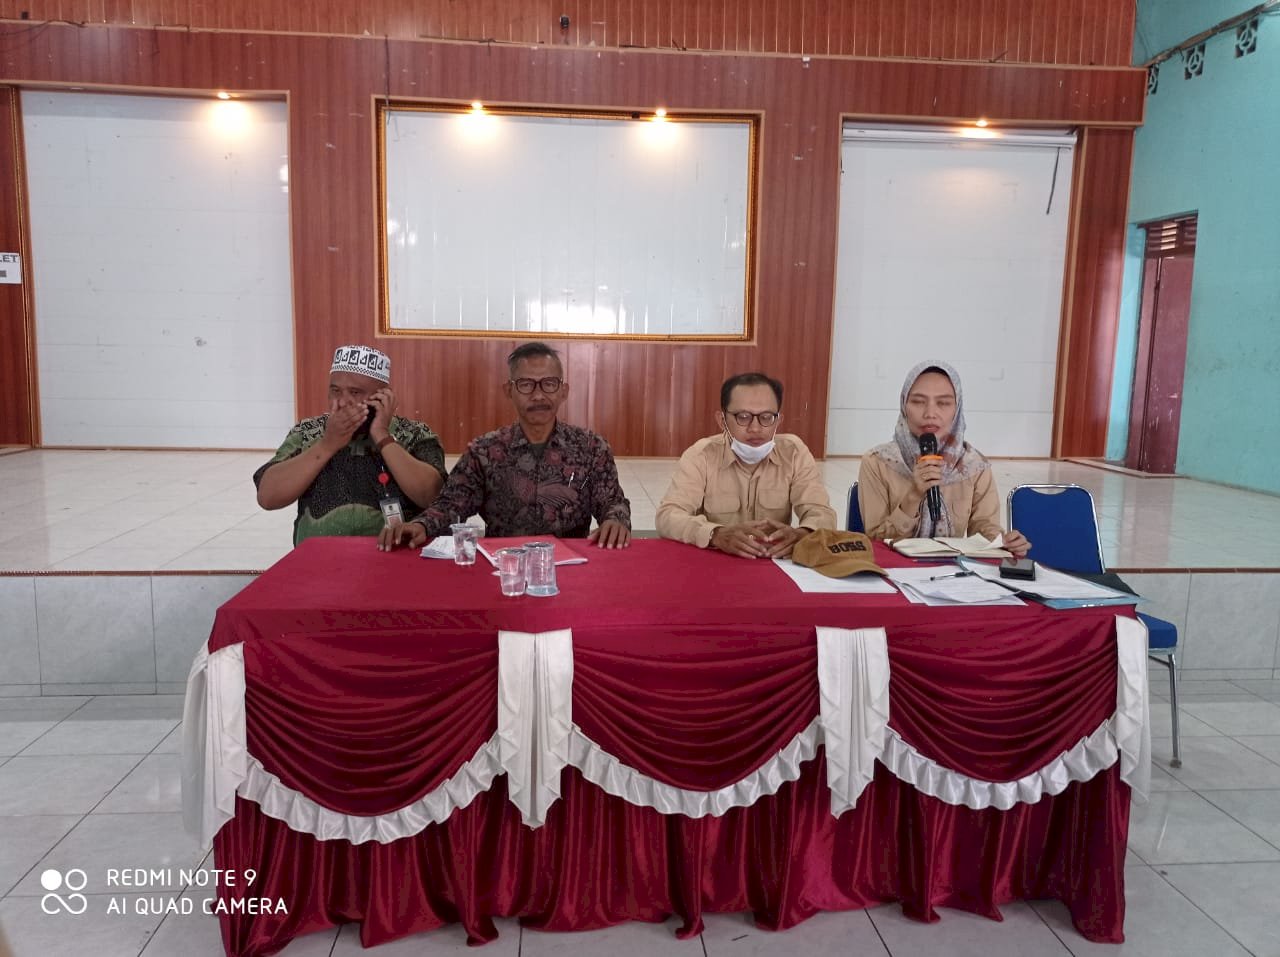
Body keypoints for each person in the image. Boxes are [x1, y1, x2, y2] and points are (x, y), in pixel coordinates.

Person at [379, 342, 631, 550]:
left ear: (563, 391)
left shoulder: (590, 448)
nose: (539, 395)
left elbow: (612, 502)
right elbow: (451, 505)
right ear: (508, 391)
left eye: (549, 383)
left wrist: (616, 521)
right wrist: (421, 525)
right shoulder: (485, 451)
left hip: (571, 568)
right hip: (504, 567)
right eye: (526, 384)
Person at [255, 344, 446, 545]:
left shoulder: (414, 433)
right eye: (336, 391)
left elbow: (434, 498)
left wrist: (382, 436)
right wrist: (327, 445)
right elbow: (268, 497)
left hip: (396, 556)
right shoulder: (308, 431)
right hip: (320, 558)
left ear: (384, 397)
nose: (343, 402)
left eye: (355, 393)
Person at [857, 359, 1031, 556]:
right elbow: (876, 542)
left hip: (953, 574)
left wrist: (1004, 542)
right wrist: (914, 495)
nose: (930, 413)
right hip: (894, 571)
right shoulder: (878, 462)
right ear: (904, 405)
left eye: (944, 403)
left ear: (957, 409)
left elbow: (984, 532)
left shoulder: (973, 466)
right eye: (918, 402)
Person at [656, 372, 836, 559]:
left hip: (773, 562)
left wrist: (804, 534)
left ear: (778, 421)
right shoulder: (701, 455)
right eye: (743, 416)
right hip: (717, 562)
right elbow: (668, 516)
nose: (755, 428)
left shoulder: (794, 453)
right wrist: (715, 534)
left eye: (766, 417)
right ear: (722, 421)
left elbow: (821, 512)